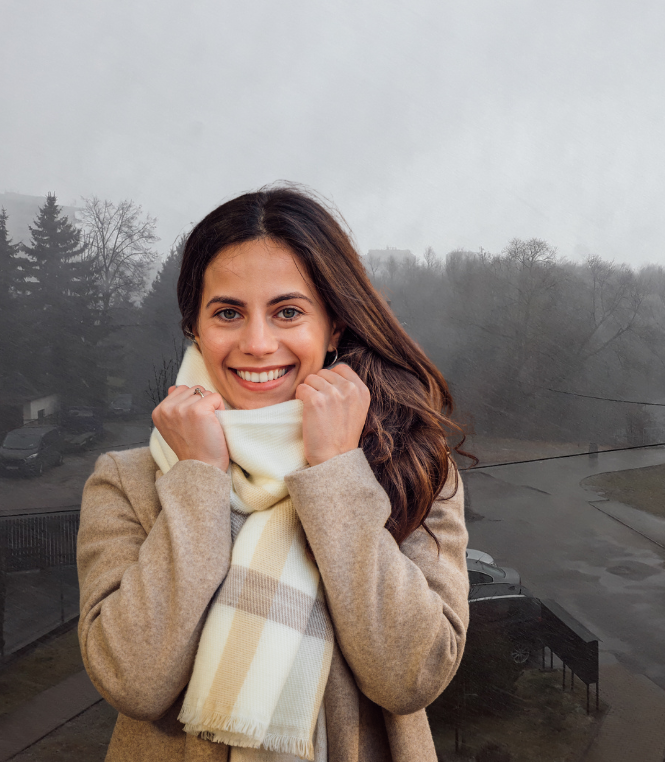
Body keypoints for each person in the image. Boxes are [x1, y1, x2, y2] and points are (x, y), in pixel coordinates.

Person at [76, 186, 472, 762]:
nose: (258, 344)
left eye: (288, 312)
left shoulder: (413, 469)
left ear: (334, 327)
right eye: (228, 313)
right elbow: (133, 682)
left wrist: (337, 471)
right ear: (195, 327)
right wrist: (197, 481)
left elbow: (410, 677)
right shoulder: (128, 483)